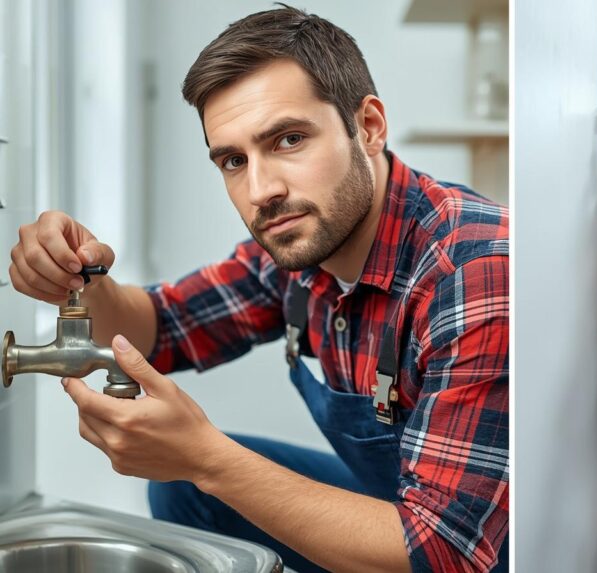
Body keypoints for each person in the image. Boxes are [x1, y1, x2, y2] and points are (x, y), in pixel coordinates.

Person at [8, 6, 508, 573]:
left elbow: (449, 553)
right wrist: (75, 275)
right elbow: (159, 327)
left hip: (487, 546)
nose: (261, 190)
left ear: (368, 127)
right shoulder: (299, 244)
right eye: (232, 160)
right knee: (186, 490)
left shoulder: (471, 270)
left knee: (205, 473)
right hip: (407, 503)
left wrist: (207, 458)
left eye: (289, 140)